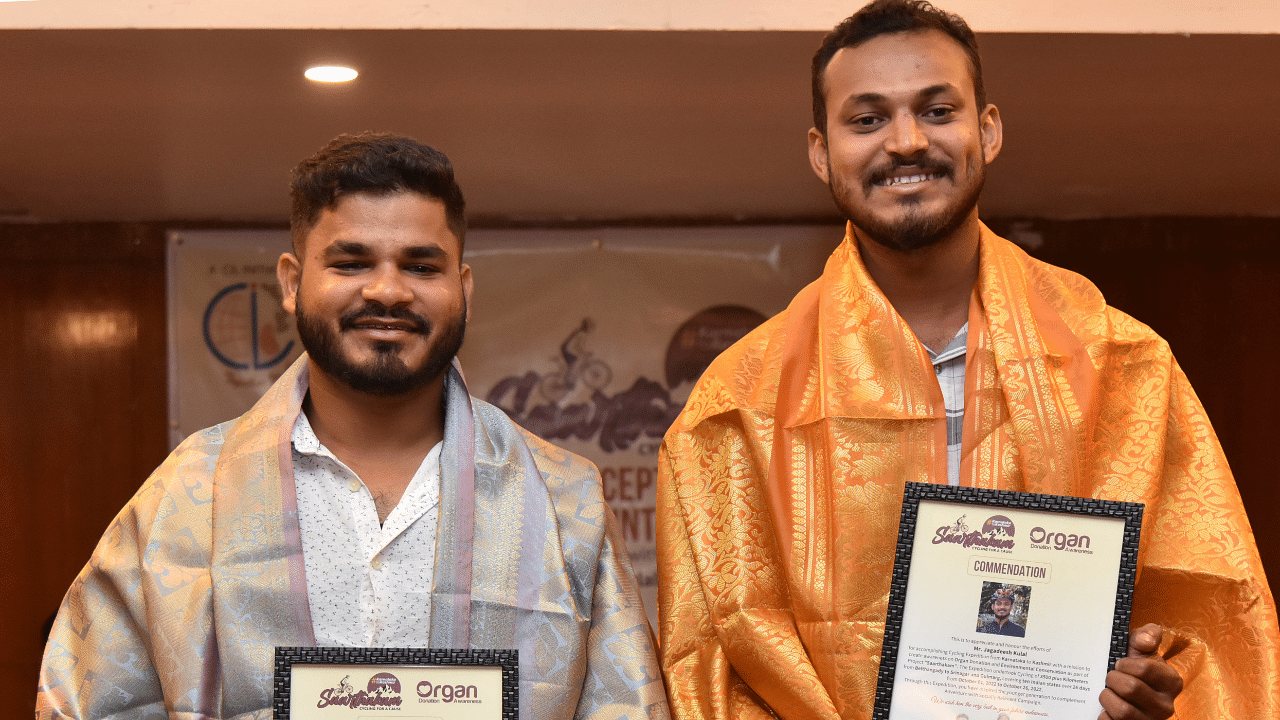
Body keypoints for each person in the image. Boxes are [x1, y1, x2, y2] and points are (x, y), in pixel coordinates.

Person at [656, 1, 1279, 719]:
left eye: (937, 109)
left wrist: (1151, 693)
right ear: (820, 151)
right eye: (867, 119)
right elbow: (710, 667)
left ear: (988, 129)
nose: (907, 141)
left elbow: (1214, 621)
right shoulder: (738, 405)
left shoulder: (1124, 365)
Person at [38, 133, 669, 720]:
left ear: (464, 289)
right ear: (292, 283)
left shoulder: (562, 500)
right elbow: (89, 702)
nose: (388, 291)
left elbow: (627, 706)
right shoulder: (187, 496)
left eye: (422, 266)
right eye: (350, 263)